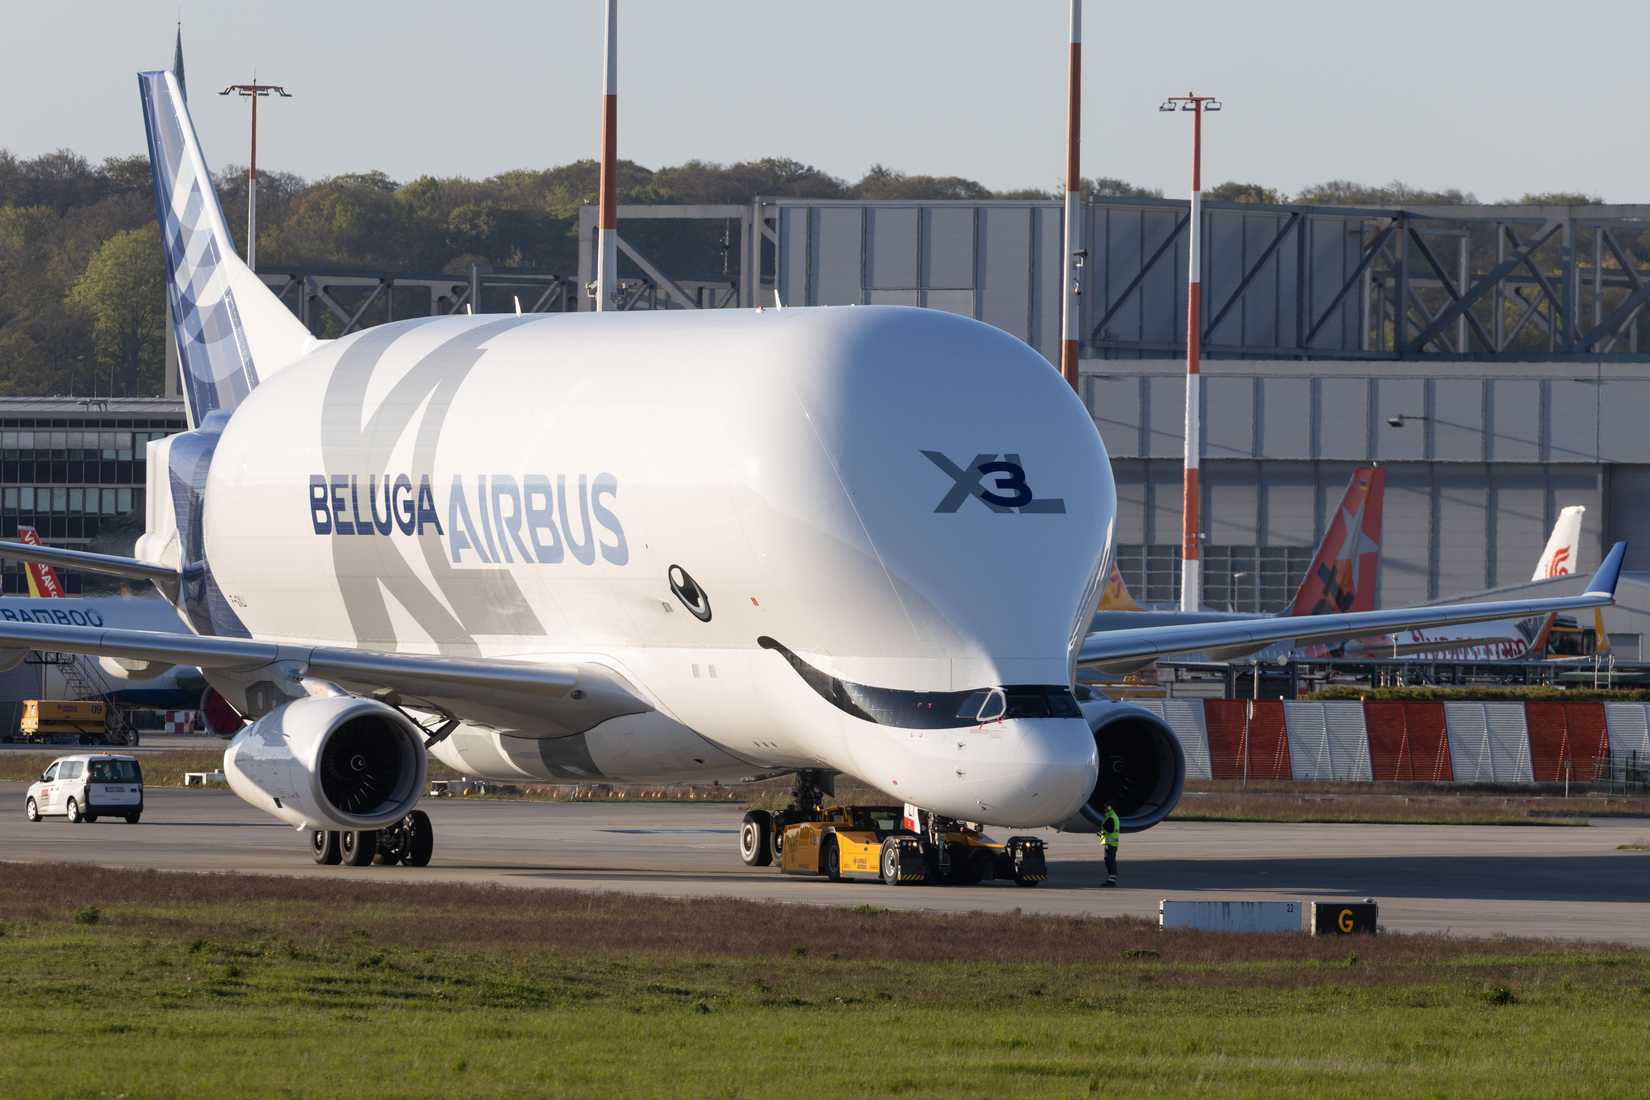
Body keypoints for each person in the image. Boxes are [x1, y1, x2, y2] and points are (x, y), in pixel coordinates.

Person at [1099, 802, 1120, 886]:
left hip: (1110, 843)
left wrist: (1101, 834)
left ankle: (1112, 880)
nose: (1104, 808)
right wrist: (1102, 837)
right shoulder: (1111, 816)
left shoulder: (1110, 817)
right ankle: (1112, 878)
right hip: (1111, 843)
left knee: (1110, 860)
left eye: (1105, 807)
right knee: (1109, 859)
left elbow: (1109, 830)